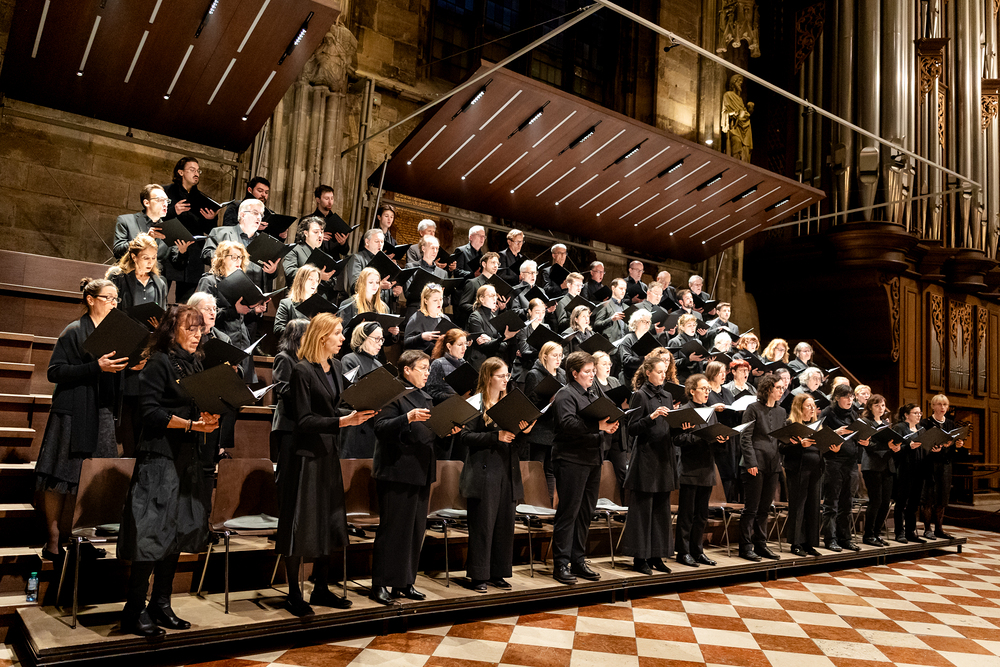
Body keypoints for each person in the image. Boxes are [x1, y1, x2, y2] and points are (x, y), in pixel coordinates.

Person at [119, 305, 220, 636]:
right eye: (190, 328)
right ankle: (134, 609)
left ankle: (161, 604)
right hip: (159, 459)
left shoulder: (195, 364)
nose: (197, 334)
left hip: (186, 459)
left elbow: (196, 404)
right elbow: (149, 413)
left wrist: (209, 416)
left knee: (175, 533)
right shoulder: (159, 362)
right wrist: (192, 425)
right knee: (151, 534)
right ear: (172, 330)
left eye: (200, 329)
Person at [276, 313, 375, 616]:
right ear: (322, 337)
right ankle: (294, 594)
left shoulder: (335, 368)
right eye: (337, 333)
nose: (342, 338)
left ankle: (320, 587)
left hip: (328, 454)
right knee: (300, 523)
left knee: (330, 522)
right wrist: (343, 421)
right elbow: (304, 420)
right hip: (305, 458)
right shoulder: (301, 370)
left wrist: (361, 410)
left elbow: (336, 407)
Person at [35, 278, 127, 562]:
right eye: (108, 298)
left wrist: (133, 365)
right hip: (73, 413)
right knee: (60, 477)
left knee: (92, 480)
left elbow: (116, 373)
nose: (113, 303)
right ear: (91, 299)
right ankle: (53, 539)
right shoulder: (74, 331)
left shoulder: (114, 335)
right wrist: (95, 366)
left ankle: (81, 537)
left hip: (102, 411)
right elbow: (54, 372)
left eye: (116, 299)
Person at [370, 350, 456, 604]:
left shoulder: (426, 397)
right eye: (422, 368)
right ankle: (379, 584)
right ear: (406, 369)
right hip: (396, 472)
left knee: (415, 531)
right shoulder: (392, 394)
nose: (427, 373)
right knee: (393, 531)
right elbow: (380, 428)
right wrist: (406, 417)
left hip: (421, 470)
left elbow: (430, 436)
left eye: (428, 368)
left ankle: (404, 582)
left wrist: (447, 432)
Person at [458, 357, 531, 592]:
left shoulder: (509, 403)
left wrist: (524, 432)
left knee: (504, 525)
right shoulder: (475, 403)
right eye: (501, 376)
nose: (505, 380)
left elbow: (516, 444)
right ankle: (479, 575)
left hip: (507, 470)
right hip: (484, 471)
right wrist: (495, 436)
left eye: (507, 375)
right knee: (483, 525)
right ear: (488, 377)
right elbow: (464, 437)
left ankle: (498, 572)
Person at [550, 351, 619, 585]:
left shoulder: (593, 394)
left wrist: (608, 426)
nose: (592, 375)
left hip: (592, 459)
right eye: (587, 371)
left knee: (585, 513)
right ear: (574, 373)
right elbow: (567, 423)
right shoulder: (565, 394)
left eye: (593, 371)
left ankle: (578, 560)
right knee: (569, 512)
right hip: (571, 459)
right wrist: (597, 425)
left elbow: (597, 421)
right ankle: (561, 563)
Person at [106, 234, 169, 453]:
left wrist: (159, 327)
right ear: (134, 256)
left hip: (147, 347)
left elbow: (162, 317)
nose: (150, 262)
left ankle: (138, 453)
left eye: (153, 258)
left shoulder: (159, 283)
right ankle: (124, 452)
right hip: (123, 345)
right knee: (126, 404)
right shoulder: (119, 277)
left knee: (144, 402)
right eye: (145, 258)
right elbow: (111, 314)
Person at [620, 354, 676, 575]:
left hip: (663, 458)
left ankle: (657, 556)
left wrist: (682, 424)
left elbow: (669, 427)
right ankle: (639, 557)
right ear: (648, 372)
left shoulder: (668, 395)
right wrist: (651, 417)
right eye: (659, 372)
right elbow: (632, 428)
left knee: (661, 510)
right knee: (643, 510)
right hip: (645, 459)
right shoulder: (640, 396)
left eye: (665, 372)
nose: (663, 375)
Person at [201, 198, 280, 340]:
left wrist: (272, 270)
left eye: (261, 214)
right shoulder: (221, 233)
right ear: (242, 214)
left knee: (246, 345)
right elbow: (206, 254)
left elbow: (270, 274)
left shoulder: (264, 241)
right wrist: (227, 257)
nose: (259, 217)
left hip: (252, 305)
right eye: (255, 213)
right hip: (226, 301)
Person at [673, 372, 727, 568]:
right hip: (690, 469)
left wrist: (720, 440)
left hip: (707, 469)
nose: (707, 392)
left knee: (702, 515)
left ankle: (697, 550)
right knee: (687, 514)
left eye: (708, 389)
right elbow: (677, 439)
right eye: (703, 389)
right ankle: (683, 552)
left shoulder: (710, 412)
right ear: (691, 391)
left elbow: (713, 439)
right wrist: (700, 436)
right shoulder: (685, 411)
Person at [737, 372, 787, 562]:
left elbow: (780, 439)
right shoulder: (753, 408)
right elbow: (745, 437)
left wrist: (791, 440)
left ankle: (761, 544)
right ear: (768, 389)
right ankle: (745, 547)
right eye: (778, 388)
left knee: (765, 508)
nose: (782, 391)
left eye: (783, 388)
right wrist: (751, 462)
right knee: (751, 508)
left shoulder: (781, 411)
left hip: (773, 464)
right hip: (755, 464)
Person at [196, 242, 264, 372]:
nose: (238, 260)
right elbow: (201, 315)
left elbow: (241, 316)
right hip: (221, 341)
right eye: (234, 257)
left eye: (241, 257)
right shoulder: (209, 281)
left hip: (242, 342)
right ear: (222, 258)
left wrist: (254, 309)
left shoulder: (241, 283)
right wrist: (234, 311)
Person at [820, 383, 869, 552]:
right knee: (832, 503)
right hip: (833, 462)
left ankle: (845, 538)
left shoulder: (854, 413)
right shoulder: (827, 413)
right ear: (836, 398)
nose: (850, 400)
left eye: (851, 397)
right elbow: (821, 438)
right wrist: (836, 434)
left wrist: (863, 441)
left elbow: (856, 435)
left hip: (851, 463)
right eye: (846, 397)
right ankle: (830, 539)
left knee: (847, 503)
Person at [164, 157, 219, 301]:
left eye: (198, 171)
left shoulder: (202, 199)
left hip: (193, 256)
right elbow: (153, 218)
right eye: (192, 170)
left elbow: (210, 231)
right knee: (159, 299)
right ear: (181, 172)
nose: (196, 174)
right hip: (169, 252)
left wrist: (211, 219)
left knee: (184, 304)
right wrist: (173, 211)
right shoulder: (165, 192)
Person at [780, 394, 824, 557]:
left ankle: (809, 543)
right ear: (799, 408)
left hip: (816, 469)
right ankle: (796, 543)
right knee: (798, 507)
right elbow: (782, 448)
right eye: (808, 406)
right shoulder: (791, 424)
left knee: (813, 506)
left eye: (813, 406)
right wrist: (800, 444)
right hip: (798, 469)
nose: (812, 409)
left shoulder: (816, 426)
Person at [113, 183, 191, 274]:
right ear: (146, 203)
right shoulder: (126, 220)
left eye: (167, 200)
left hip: (155, 279)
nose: (165, 204)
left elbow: (179, 265)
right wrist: (145, 239)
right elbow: (118, 251)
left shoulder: (169, 229)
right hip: (129, 275)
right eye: (160, 200)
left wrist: (182, 252)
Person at [919, 394, 966, 539]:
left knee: (942, 498)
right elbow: (921, 444)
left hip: (945, 465)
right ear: (933, 406)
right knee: (928, 498)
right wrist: (932, 448)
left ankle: (939, 529)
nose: (942, 407)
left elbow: (952, 447)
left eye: (945, 405)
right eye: (939, 404)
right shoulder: (925, 423)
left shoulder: (950, 424)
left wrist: (957, 445)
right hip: (929, 464)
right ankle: (927, 529)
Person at [523, 341, 565, 501]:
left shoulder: (562, 374)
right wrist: (548, 401)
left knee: (551, 470)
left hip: (555, 429)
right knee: (536, 468)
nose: (558, 359)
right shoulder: (534, 374)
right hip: (539, 429)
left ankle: (547, 505)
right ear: (545, 356)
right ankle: (533, 505)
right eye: (555, 355)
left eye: (560, 355)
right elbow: (529, 404)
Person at [860, 394, 901, 546]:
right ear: (870, 407)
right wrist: (886, 446)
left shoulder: (885, 423)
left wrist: (895, 447)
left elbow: (889, 443)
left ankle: (877, 533)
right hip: (872, 466)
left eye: (882, 405)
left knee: (885, 502)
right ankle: (868, 535)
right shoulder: (865, 422)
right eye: (877, 405)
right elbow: (867, 446)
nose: (880, 408)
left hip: (887, 465)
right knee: (875, 501)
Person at [340, 322, 385, 458]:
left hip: (373, 422)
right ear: (362, 338)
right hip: (355, 424)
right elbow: (350, 392)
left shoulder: (378, 364)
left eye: (382, 339)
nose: (380, 343)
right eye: (376, 338)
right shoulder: (350, 360)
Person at [269, 318, 309, 463]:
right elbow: (284, 389)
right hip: (288, 424)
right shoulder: (283, 358)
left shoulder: (307, 360)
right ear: (297, 336)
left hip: (303, 423)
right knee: (287, 468)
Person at [337, 267, 400, 343]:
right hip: (354, 348)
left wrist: (392, 333)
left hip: (376, 348)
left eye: (377, 282)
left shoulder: (384, 307)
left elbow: (385, 341)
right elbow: (343, 334)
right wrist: (360, 330)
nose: (375, 286)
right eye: (370, 282)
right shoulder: (348, 304)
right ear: (362, 283)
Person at [893, 403, 925, 543]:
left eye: (920, 413)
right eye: (915, 413)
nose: (919, 415)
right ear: (906, 415)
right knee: (901, 502)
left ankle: (910, 532)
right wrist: (908, 446)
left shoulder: (921, 430)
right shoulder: (899, 428)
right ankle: (899, 532)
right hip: (904, 469)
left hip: (918, 469)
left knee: (914, 502)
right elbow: (894, 450)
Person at [466, 284, 518, 370]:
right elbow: (483, 346)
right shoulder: (475, 317)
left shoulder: (494, 317)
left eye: (495, 295)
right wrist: (501, 339)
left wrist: (490, 339)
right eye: (491, 296)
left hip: (493, 361)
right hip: (480, 364)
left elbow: (504, 346)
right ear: (482, 299)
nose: (495, 299)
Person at [282, 216, 336, 290]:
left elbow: (333, 281)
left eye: (322, 232)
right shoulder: (294, 250)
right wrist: (317, 275)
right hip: (299, 294)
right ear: (306, 233)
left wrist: (328, 277)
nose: (320, 235)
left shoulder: (325, 255)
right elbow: (290, 272)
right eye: (316, 232)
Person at [274, 265, 321, 337]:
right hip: (294, 343)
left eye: (317, 280)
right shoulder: (286, 304)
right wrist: (301, 334)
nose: (314, 283)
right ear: (301, 280)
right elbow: (278, 329)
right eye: (310, 279)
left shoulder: (319, 305)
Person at [404, 236, 448, 313]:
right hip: (416, 310)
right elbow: (408, 294)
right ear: (423, 248)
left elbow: (447, 300)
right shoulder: (411, 267)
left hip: (435, 313)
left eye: (437, 248)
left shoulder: (443, 273)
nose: (435, 251)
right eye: (432, 248)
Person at [426, 329, 470, 405]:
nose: (464, 348)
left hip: (462, 406)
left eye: (466, 344)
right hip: (446, 407)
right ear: (449, 346)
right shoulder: (438, 364)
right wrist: (457, 398)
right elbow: (432, 393)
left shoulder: (464, 363)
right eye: (460, 345)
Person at [458, 251, 503, 325]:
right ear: (484, 264)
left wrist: (502, 307)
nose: (496, 266)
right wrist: (482, 308)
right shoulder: (472, 283)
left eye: (497, 263)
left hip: (492, 324)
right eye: (493, 262)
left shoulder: (498, 285)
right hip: (477, 323)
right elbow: (463, 305)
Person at [307, 185, 350, 259]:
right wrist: (317, 237)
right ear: (318, 200)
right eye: (326, 199)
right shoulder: (308, 220)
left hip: (334, 262)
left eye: (332, 198)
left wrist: (343, 243)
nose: (330, 202)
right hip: (315, 261)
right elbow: (299, 245)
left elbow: (344, 252)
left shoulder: (336, 221)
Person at [404, 283, 448, 353]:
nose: (439, 303)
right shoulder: (417, 318)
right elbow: (406, 342)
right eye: (435, 300)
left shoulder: (445, 318)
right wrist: (421, 337)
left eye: (441, 299)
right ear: (426, 301)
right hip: (421, 356)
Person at [513, 297, 548, 384]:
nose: (541, 315)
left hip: (540, 367)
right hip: (524, 368)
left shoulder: (546, 327)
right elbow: (525, 352)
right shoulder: (523, 328)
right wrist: (544, 353)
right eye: (537, 312)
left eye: (543, 312)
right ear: (530, 311)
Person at [618, 309, 655, 386]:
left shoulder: (648, 340)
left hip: (643, 378)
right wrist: (643, 359)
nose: (647, 324)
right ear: (636, 322)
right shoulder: (628, 339)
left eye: (648, 322)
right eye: (644, 321)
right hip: (629, 379)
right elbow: (625, 360)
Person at [722, 74, 754, 162]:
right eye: (738, 81)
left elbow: (743, 112)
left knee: (745, 148)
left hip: (744, 126)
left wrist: (749, 111)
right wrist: (735, 113)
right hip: (734, 127)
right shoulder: (727, 95)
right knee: (737, 142)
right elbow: (725, 112)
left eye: (741, 82)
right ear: (733, 82)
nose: (740, 83)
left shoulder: (740, 99)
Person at [668, 314, 706, 383]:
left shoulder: (698, 342)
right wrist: (689, 359)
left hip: (697, 379)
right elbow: (672, 363)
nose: (692, 328)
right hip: (682, 380)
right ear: (682, 327)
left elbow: (700, 363)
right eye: (689, 325)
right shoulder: (675, 342)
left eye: (694, 325)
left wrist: (708, 362)